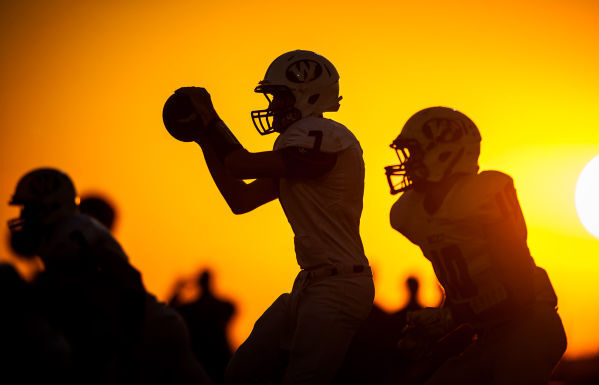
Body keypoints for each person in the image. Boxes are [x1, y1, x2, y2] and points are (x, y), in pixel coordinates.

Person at [173, 49, 374, 384]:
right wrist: (204, 139)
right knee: (242, 372)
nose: (273, 106)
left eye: (280, 96)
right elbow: (241, 198)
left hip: (338, 285)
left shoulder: (324, 137)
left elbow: (241, 165)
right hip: (312, 282)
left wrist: (213, 123)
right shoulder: (303, 154)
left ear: (308, 95)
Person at [385, 107, 567, 385]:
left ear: (443, 154)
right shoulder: (412, 212)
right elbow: (466, 286)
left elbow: (518, 292)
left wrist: (452, 317)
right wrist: (434, 331)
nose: (408, 163)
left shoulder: (483, 194)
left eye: (415, 153)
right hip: (490, 334)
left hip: (531, 324)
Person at [7, 168, 213, 385]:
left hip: (146, 334)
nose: (22, 216)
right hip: (152, 328)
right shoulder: (62, 235)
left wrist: (129, 339)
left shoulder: (69, 236)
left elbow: (128, 279)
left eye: (27, 208)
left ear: (49, 205)